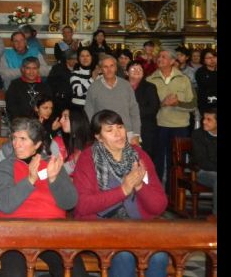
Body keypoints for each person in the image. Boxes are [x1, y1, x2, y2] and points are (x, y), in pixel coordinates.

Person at [72, 109, 168, 277]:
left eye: (120, 127)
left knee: (159, 256)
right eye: (110, 130)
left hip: (138, 227)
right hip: (101, 227)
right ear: (98, 137)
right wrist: (123, 190)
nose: (118, 134)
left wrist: (139, 187)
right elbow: (82, 206)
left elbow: (159, 206)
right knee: (124, 255)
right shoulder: (88, 159)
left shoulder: (139, 156)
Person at [0, 117, 86, 277]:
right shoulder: (6, 166)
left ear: (37, 144)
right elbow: (5, 204)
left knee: (73, 270)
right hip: (15, 232)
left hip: (52, 233)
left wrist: (54, 179)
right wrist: (30, 180)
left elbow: (70, 202)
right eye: (14, 138)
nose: (16, 144)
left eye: (23, 139)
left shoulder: (52, 164)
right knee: (14, 273)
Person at [146, 49, 195, 185]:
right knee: (157, 160)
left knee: (177, 162)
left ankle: (173, 193)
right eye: (159, 57)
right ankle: (156, 191)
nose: (159, 59)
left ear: (173, 61)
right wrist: (162, 104)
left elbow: (192, 105)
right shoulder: (150, 79)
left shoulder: (184, 79)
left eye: (164, 57)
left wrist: (177, 103)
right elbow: (145, 107)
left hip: (180, 127)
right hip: (159, 125)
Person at [84, 55, 142, 144]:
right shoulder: (93, 87)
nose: (109, 69)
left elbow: (134, 111)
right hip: (104, 135)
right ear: (101, 69)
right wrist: (96, 134)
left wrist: (137, 134)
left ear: (116, 67)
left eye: (112, 66)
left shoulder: (126, 85)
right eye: (105, 67)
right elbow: (89, 113)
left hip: (127, 134)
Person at [127, 61, 160, 159]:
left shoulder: (150, 87)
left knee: (145, 158)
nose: (137, 71)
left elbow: (153, 108)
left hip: (145, 128)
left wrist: (132, 112)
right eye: (133, 69)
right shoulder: (121, 86)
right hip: (125, 127)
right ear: (126, 72)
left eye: (140, 69)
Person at [191, 106, 217, 216]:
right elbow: (202, 162)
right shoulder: (198, 135)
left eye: (209, 119)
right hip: (203, 172)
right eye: (204, 118)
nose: (204, 122)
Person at [69, 46, 99, 111]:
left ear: (92, 57)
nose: (85, 58)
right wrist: (92, 79)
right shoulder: (75, 73)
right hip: (78, 108)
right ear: (78, 59)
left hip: (94, 108)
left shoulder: (97, 73)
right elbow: (78, 92)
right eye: (82, 56)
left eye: (88, 56)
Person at [194, 48, 217, 113]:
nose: (212, 60)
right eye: (209, 58)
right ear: (203, 60)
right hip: (206, 105)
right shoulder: (200, 72)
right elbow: (208, 88)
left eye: (214, 57)